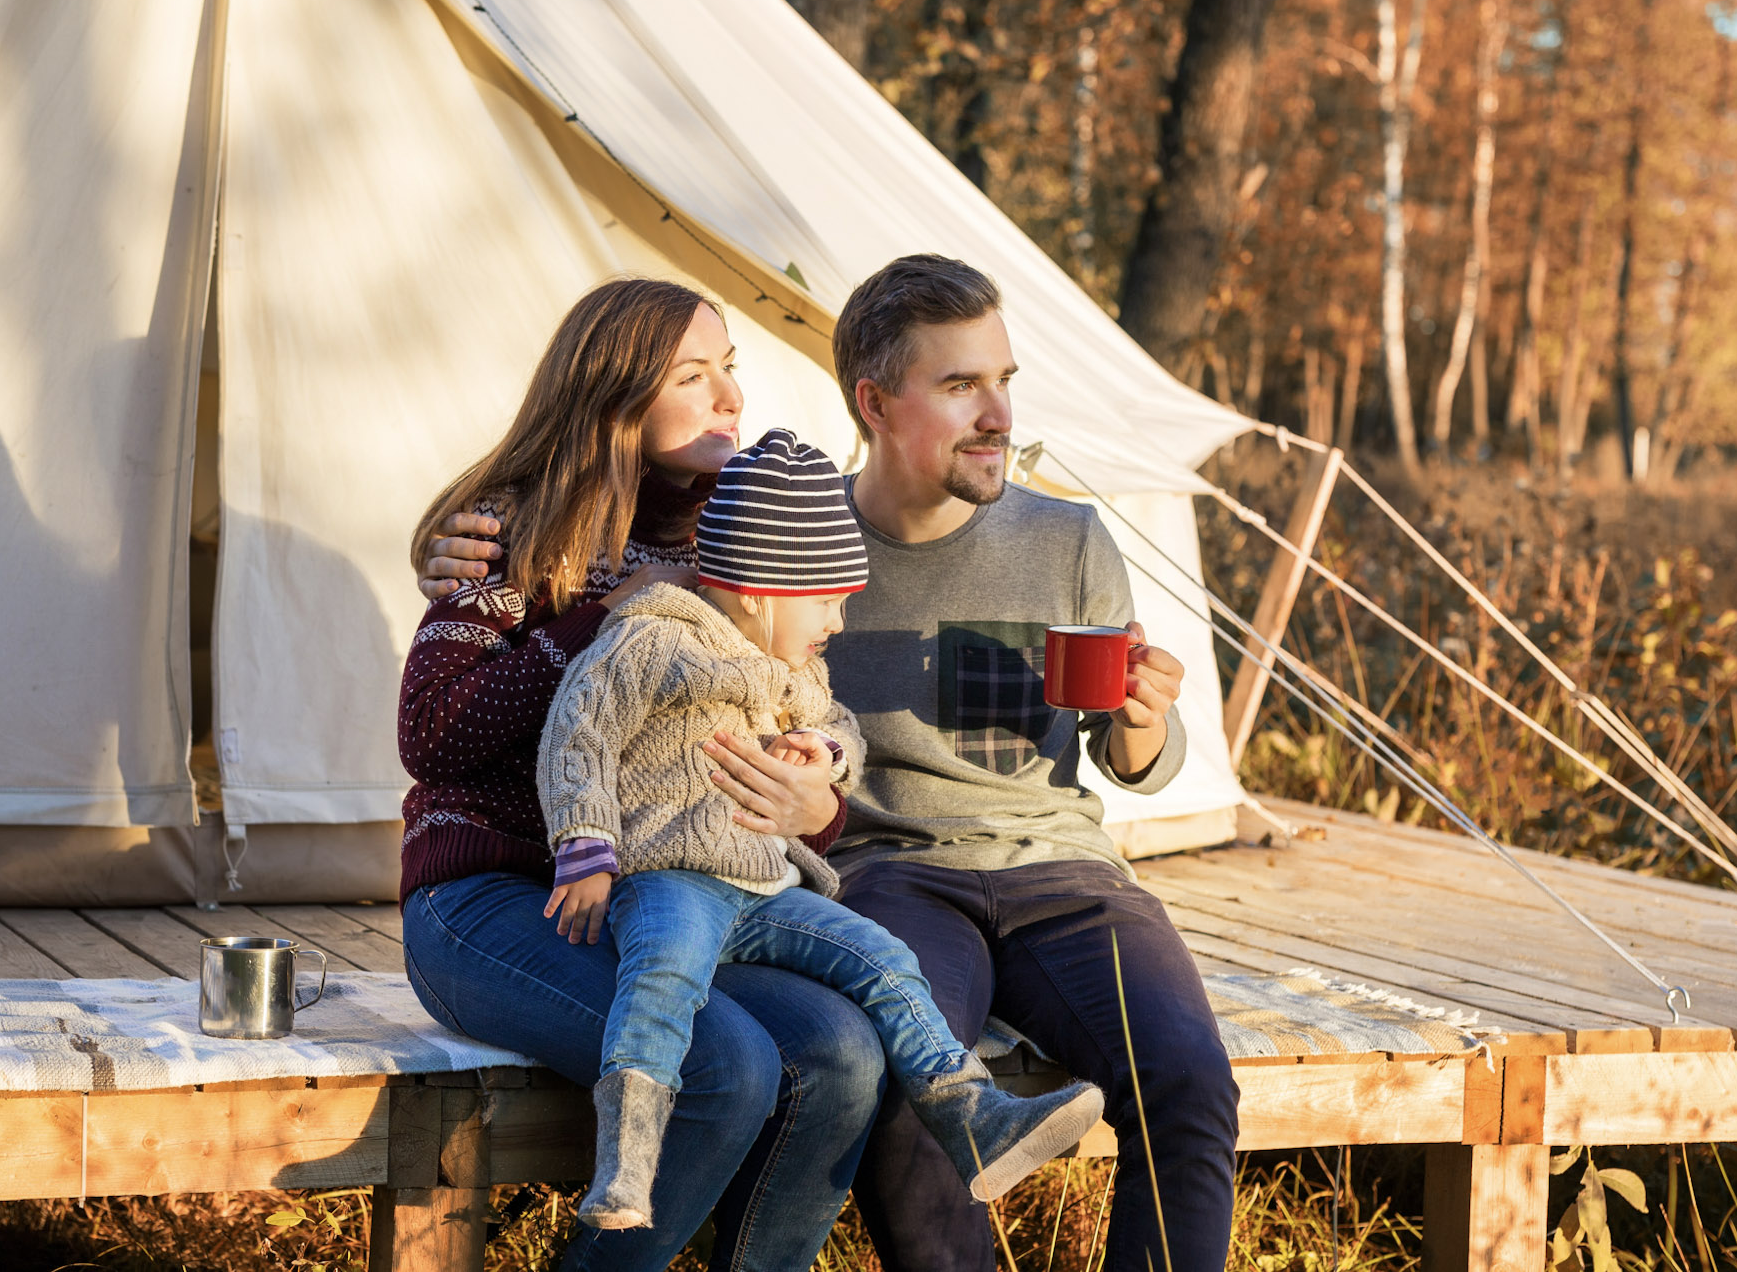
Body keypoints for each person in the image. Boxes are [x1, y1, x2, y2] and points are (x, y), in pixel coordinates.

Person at [422, 256, 1240, 1272]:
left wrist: (1142, 722)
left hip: (1053, 870)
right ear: (874, 403)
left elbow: (1118, 759)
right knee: (861, 1083)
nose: (997, 413)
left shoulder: (1054, 537)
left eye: (1003, 380)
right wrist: (522, 577)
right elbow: (584, 679)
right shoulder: (767, 538)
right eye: (960, 384)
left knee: (1182, 1076)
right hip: (861, 873)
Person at [397, 278, 887, 1272]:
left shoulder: (739, 532)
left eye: (729, 370)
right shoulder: (512, 533)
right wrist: (603, 615)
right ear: (614, 396)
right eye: (692, 376)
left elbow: (784, 726)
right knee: (724, 1064)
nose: (730, 398)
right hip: (488, 896)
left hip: (671, 896)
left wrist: (815, 801)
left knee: (842, 1054)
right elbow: (434, 733)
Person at [537, 429, 1103, 1231]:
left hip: (766, 887)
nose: (839, 620)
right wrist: (586, 845)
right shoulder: (652, 640)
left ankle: (972, 1114)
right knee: (663, 980)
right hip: (671, 877)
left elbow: (843, 725)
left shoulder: (797, 670)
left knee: (884, 956)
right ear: (759, 590)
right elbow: (577, 732)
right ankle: (625, 1168)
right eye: (828, 599)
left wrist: (825, 749)